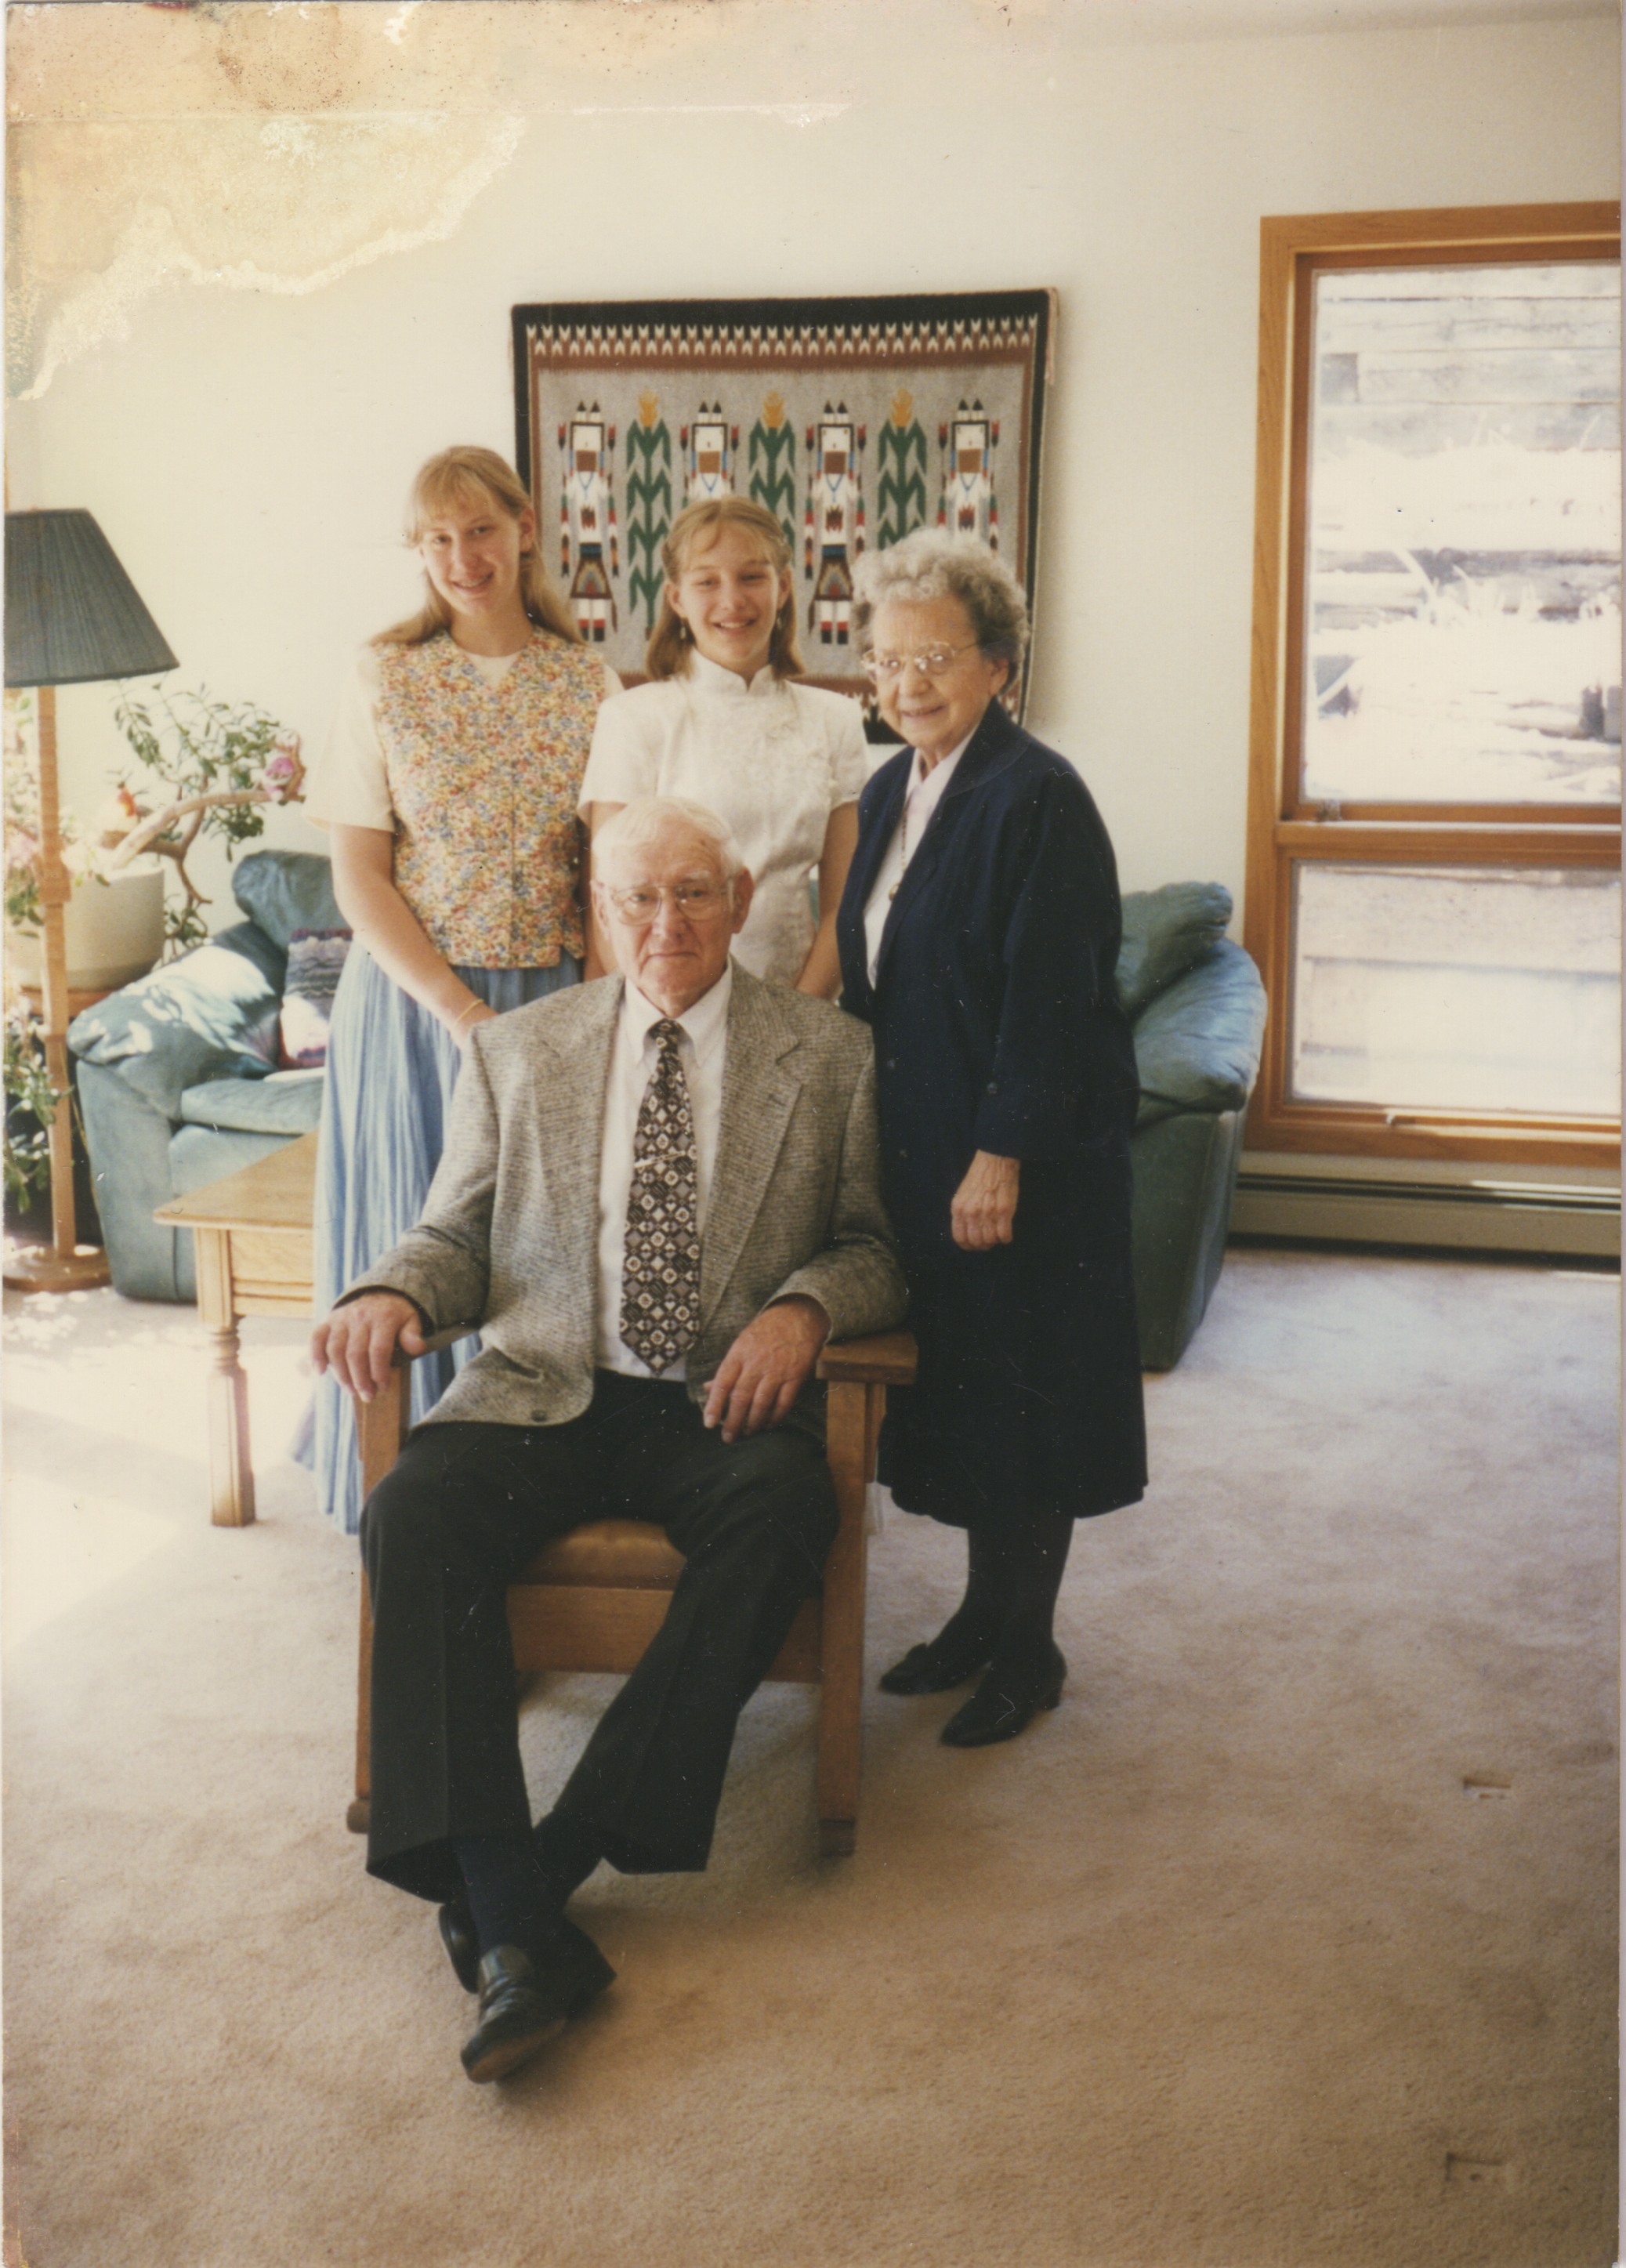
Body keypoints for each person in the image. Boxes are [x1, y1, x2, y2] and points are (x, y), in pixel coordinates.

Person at [311, 796, 905, 2085]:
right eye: (636, 895)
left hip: (718, 1402)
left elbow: (874, 1244)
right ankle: (517, 1913)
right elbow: (453, 1233)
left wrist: (805, 1308)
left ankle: (533, 1880)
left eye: (692, 892)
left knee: (787, 1510)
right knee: (414, 1509)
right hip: (547, 1385)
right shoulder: (519, 1049)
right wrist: (390, 1289)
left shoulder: (831, 1054)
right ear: (598, 906)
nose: (663, 922)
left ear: (742, 900)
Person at [835, 531, 1147, 1749]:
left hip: (1020, 1158)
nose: (906, 681)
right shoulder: (889, 789)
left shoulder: (1036, 794)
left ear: (997, 665)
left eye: (935, 657)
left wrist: (1000, 1153)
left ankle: (1028, 1647)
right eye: (886, 658)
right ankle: (978, 1616)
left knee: (1027, 1399)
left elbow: (1052, 1001)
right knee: (968, 1395)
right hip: (927, 1145)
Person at [305, 445, 620, 1534]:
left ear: (525, 529)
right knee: (414, 1232)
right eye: (436, 538)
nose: (461, 557)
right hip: (415, 1004)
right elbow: (359, 875)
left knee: (535, 1248)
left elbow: (605, 872)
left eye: (480, 529)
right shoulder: (383, 675)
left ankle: (518, 1495)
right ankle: (399, 1494)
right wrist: (460, 1013)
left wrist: (592, 1010)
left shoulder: (588, 681)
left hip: (550, 997)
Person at [578, 495, 867, 995]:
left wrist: (793, 1021)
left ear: (782, 588)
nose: (732, 601)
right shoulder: (632, 718)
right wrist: (668, 1021)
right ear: (677, 599)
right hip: (664, 1003)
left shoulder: (835, 720)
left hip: (795, 1001)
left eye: (752, 577)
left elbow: (844, 907)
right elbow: (610, 908)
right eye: (707, 582)